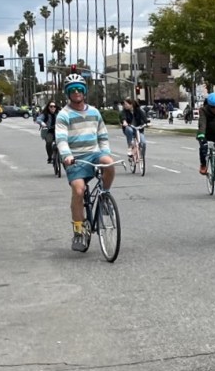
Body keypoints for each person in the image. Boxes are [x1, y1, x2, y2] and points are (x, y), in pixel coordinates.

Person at [55, 74, 115, 252]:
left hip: (94, 154)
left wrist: (105, 152)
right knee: (79, 190)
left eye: (79, 89)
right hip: (75, 158)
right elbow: (61, 139)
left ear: (84, 91)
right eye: (72, 89)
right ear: (68, 93)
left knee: (109, 163)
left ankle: (105, 197)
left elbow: (103, 137)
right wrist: (66, 155)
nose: (76, 92)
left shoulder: (94, 112)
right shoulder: (63, 115)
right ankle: (79, 230)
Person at [120, 98, 148, 164]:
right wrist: (124, 122)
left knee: (143, 143)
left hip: (138, 129)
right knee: (128, 129)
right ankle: (130, 147)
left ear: (131, 104)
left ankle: (141, 156)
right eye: (124, 104)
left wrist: (146, 123)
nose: (125, 105)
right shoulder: (124, 111)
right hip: (129, 128)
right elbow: (123, 117)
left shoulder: (138, 110)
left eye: (126, 104)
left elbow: (144, 117)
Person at [36, 101, 60, 165]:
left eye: (54, 106)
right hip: (49, 131)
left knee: (64, 141)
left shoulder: (59, 113)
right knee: (49, 142)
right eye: (51, 106)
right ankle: (50, 157)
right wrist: (42, 123)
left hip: (58, 131)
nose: (53, 108)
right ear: (48, 107)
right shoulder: (45, 114)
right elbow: (38, 119)